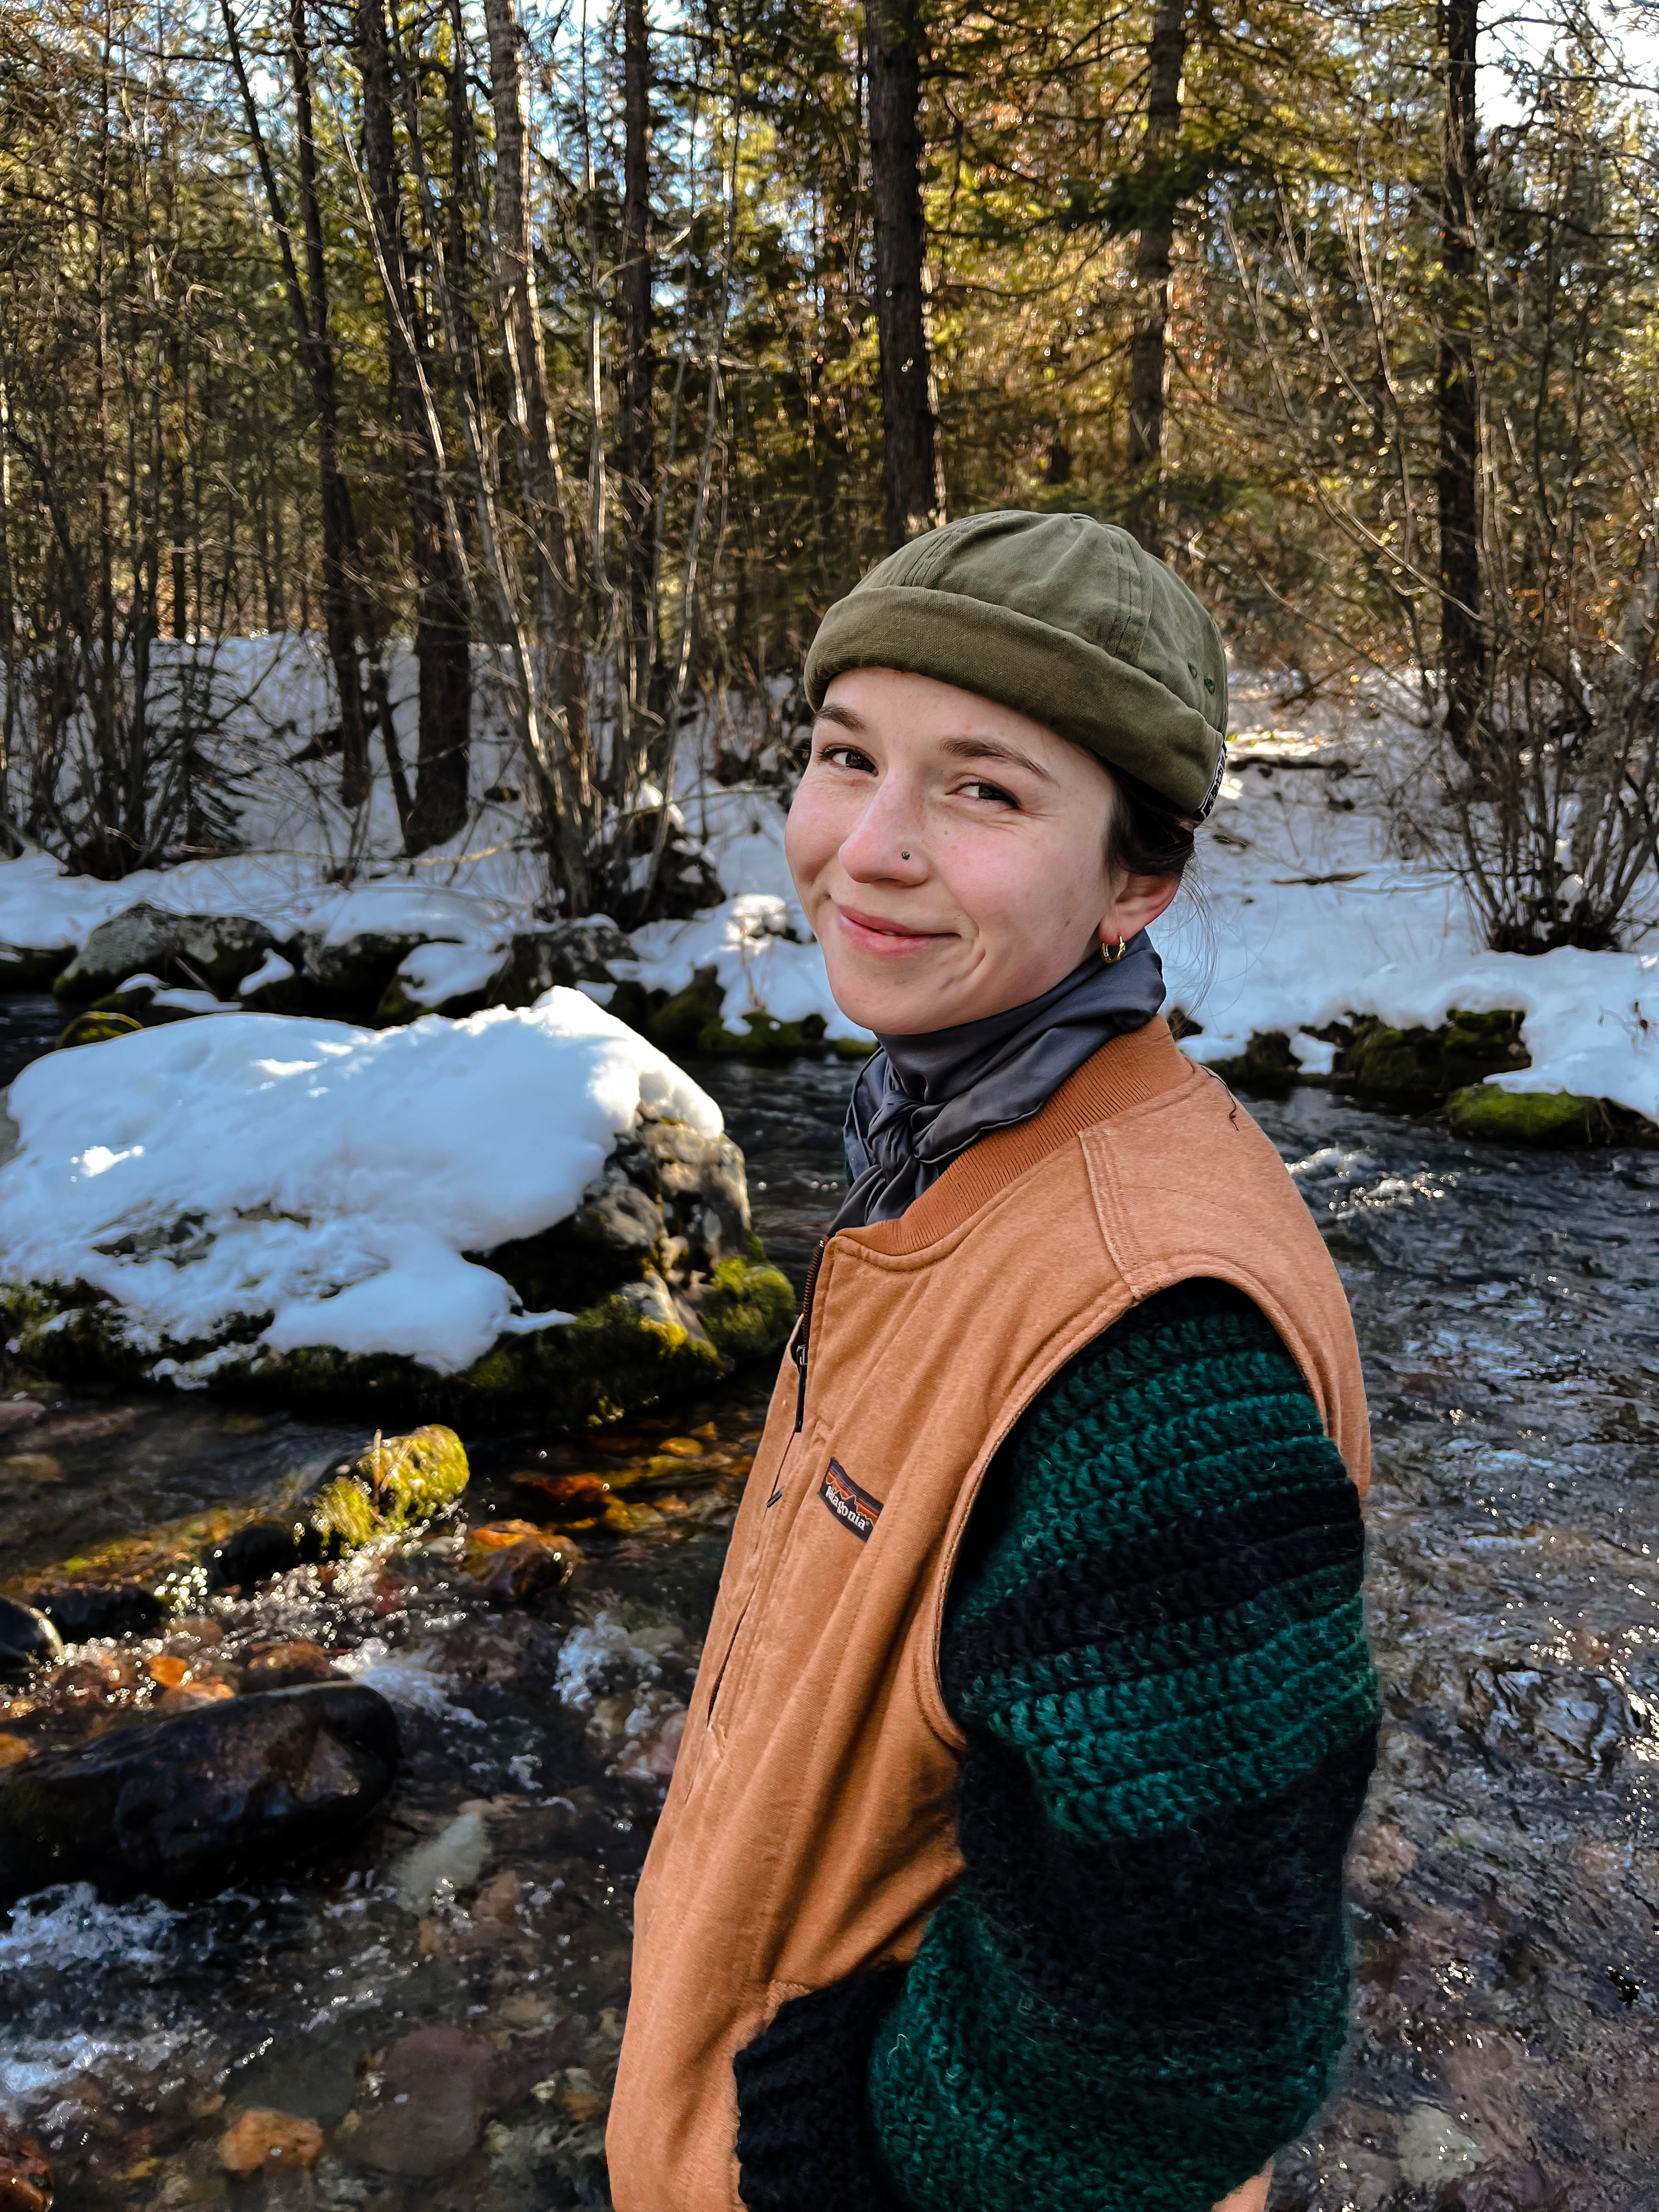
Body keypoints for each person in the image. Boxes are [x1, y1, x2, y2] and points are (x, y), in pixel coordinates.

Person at [607, 510, 1379, 2212]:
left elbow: (1195, 2035)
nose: (868, 845)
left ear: (1138, 878)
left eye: (984, 789)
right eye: (844, 756)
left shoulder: (1150, 1346)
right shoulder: (957, 1134)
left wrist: (836, 2160)